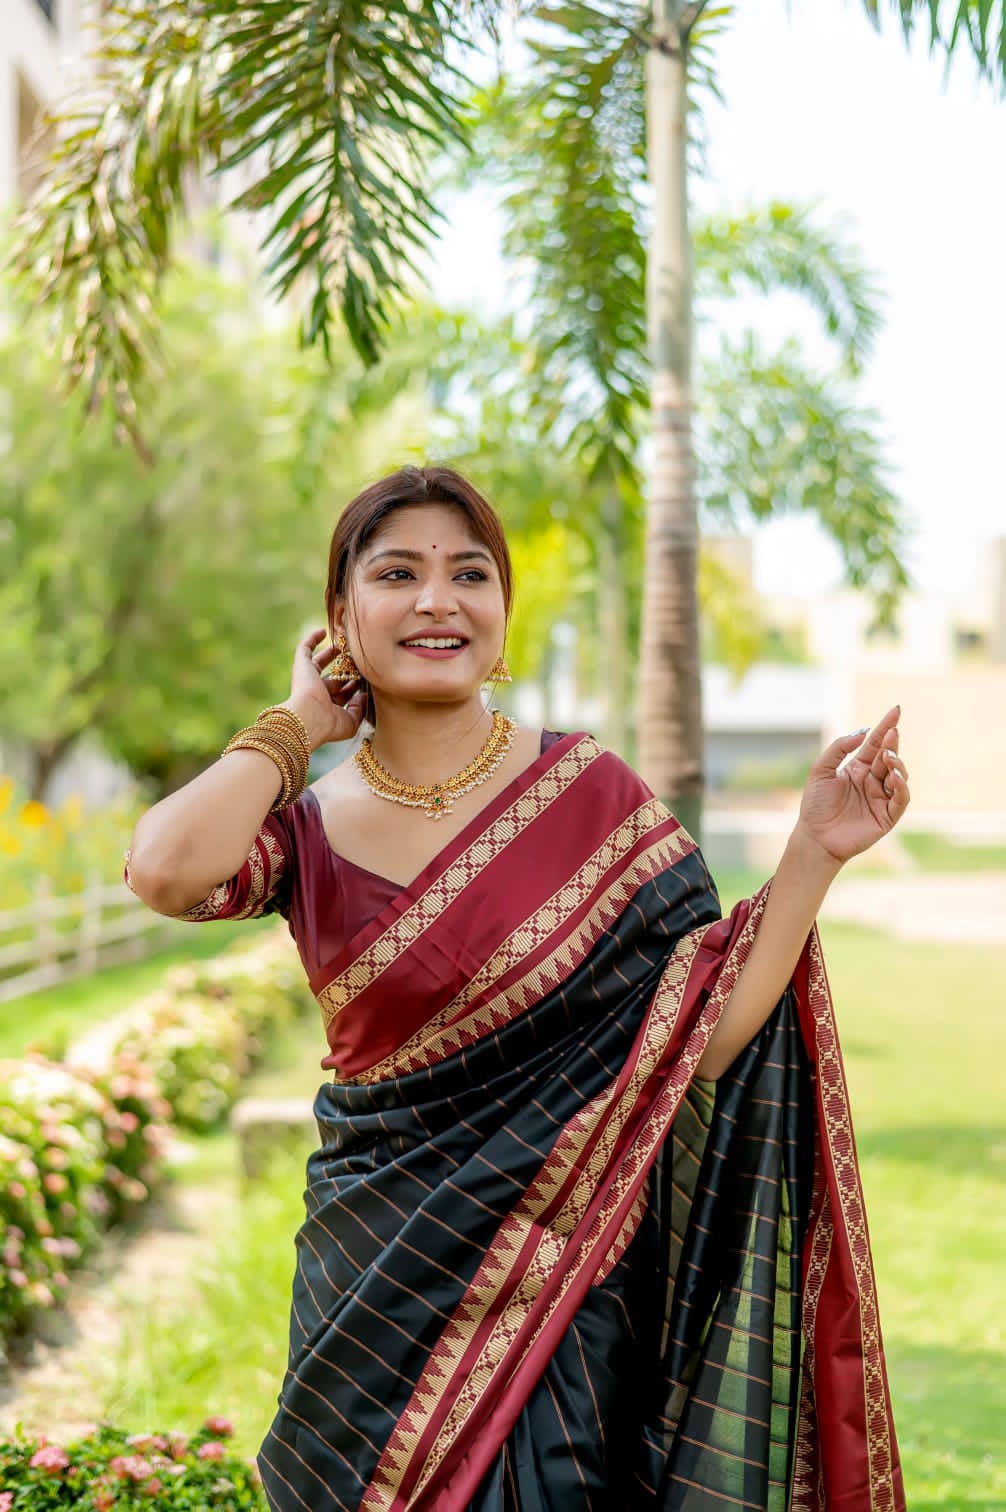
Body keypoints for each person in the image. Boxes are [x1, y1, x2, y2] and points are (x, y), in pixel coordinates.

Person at [125, 465, 910, 1512]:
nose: (436, 599)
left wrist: (813, 852)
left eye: (469, 573)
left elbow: (700, 1038)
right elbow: (164, 870)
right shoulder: (301, 826)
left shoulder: (594, 798)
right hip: (372, 1290)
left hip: (562, 1293)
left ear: (502, 615)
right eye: (396, 573)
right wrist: (296, 725)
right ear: (340, 619)